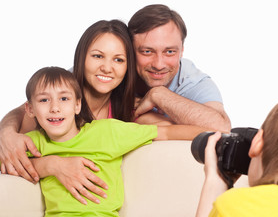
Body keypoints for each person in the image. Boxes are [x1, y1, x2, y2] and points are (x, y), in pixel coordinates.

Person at [0, 19, 167, 204]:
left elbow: (172, 129)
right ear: (82, 58)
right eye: (97, 56)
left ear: (128, 67)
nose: (107, 67)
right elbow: (16, 146)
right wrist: (52, 164)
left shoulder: (129, 110)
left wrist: (159, 96)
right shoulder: (59, 102)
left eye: (118, 59)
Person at [22, 66, 207, 216]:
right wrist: (49, 164)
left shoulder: (106, 131)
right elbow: (7, 161)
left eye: (64, 98)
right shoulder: (34, 142)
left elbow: (166, 133)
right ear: (30, 109)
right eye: (44, 100)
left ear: (77, 105)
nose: (55, 108)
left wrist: (213, 133)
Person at [128, 4, 231, 132]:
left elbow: (222, 128)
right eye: (147, 52)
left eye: (170, 52)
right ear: (130, 50)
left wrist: (159, 95)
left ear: (182, 51)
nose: (159, 65)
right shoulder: (116, 72)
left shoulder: (194, 82)